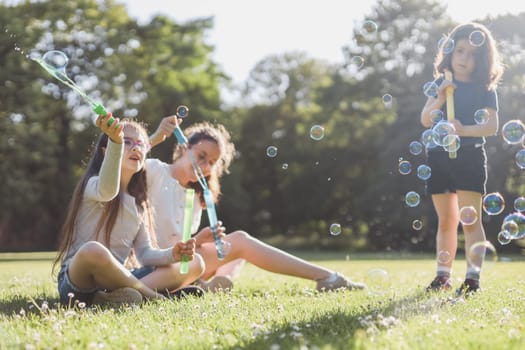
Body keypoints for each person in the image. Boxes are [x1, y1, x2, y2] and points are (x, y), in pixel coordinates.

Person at [146, 119, 367, 293]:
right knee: (240, 241)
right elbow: (125, 163)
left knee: (238, 242)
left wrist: (200, 239)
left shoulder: (195, 197)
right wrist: (156, 137)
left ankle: (327, 277)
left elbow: (178, 244)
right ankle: (328, 278)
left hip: (177, 265)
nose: (205, 166)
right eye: (201, 156)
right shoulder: (156, 171)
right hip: (152, 266)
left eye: (212, 163)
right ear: (184, 148)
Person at [53, 114, 204, 307]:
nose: (135, 147)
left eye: (140, 144)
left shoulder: (139, 203)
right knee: (93, 250)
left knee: (195, 263)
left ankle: (111, 297)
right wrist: (116, 141)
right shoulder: (93, 186)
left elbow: (145, 253)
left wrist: (172, 254)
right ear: (106, 151)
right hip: (78, 283)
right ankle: (155, 298)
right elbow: (108, 190)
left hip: (114, 281)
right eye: (126, 142)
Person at [420, 22, 504, 296]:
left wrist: (463, 130)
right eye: (460, 51)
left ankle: (472, 279)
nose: (465, 58)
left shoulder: (484, 87)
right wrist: (442, 95)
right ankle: (442, 276)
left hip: (469, 156)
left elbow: (491, 126)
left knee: (470, 220)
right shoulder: (440, 84)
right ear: (449, 53)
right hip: (438, 156)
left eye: (472, 54)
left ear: (482, 59)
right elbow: (425, 119)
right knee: (446, 221)